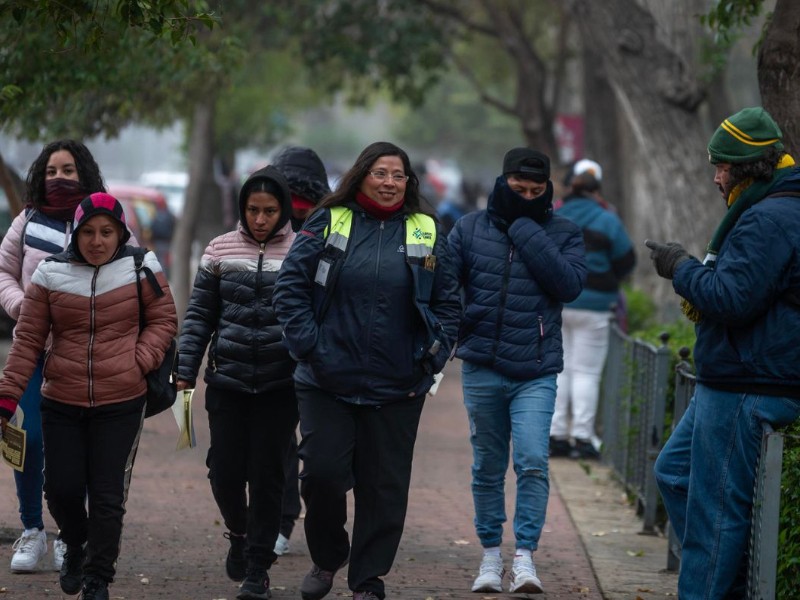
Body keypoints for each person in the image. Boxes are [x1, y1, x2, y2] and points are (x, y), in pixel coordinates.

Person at [273, 141, 461, 600]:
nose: (389, 183)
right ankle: (327, 555)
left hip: (398, 385)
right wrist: (310, 348)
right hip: (325, 380)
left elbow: (449, 303)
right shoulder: (329, 220)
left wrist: (430, 359)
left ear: (409, 182)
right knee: (321, 475)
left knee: (384, 488)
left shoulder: (427, 229)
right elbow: (291, 288)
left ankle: (368, 578)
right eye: (380, 173)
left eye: (398, 175)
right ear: (361, 176)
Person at [647, 106, 800, 599]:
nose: (716, 178)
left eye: (722, 167)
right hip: (735, 376)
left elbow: (732, 299)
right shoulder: (770, 207)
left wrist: (680, 267)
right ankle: (730, 582)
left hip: (747, 384)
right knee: (672, 472)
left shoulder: (769, 219)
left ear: (746, 168)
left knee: (714, 517)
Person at [0, 193, 177, 600]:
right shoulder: (49, 273)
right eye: (89, 233)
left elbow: (165, 320)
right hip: (61, 399)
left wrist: (140, 359)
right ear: (76, 235)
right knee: (61, 490)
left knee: (107, 496)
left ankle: (98, 578)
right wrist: (8, 396)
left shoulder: (140, 266)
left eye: (106, 232)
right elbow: (28, 340)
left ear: (120, 233)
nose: (97, 241)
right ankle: (76, 544)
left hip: (122, 402)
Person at [447, 148, 586, 594]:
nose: (526, 196)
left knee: (531, 461)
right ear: (501, 181)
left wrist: (525, 227)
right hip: (482, 365)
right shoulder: (469, 228)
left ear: (549, 190)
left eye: (536, 191)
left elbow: (569, 285)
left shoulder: (564, 232)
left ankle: (525, 556)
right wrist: (463, 325)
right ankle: (490, 556)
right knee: (487, 466)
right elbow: (447, 289)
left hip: (536, 368)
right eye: (518, 189)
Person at [176, 166, 298, 600]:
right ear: (242, 209)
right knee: (223, 471)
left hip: (280, 386)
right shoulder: (218, 251)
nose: (261, 219)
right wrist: (185, 367)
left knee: (268, 476)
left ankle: (257, 570)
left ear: (283, 210)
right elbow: (199, 317)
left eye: (269, 210)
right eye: (253, 210)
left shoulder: (303, 251)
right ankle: (239, 532)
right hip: (226, 381)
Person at [0, 140, 106, 574]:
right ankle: (31, 530)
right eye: (50, 171)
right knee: (28, 440)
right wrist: (20, 306)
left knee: (76, 450)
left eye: (67, 170)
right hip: (32, 353)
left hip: (85, 359)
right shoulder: (26, 220)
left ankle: (70, 536)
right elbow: (4, 272)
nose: (58, 178)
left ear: (84, 173)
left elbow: (133, 271)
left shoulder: (104, 219)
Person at [269, 145, 332, 557]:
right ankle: (287, 518)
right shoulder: (329, 222)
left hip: (297, 350)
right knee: (295, 443)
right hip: (301, 350)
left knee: (284, 443)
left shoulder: (270, 217)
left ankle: (284, 519)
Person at [550, 164, 635, 459]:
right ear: (596, 190)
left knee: (559, 368)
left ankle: (556, 434)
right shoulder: (606, 218)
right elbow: (627, 260)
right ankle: (583, 438)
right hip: (597, 305)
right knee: (586, 372)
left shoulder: (555, 214)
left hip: (559, 303)